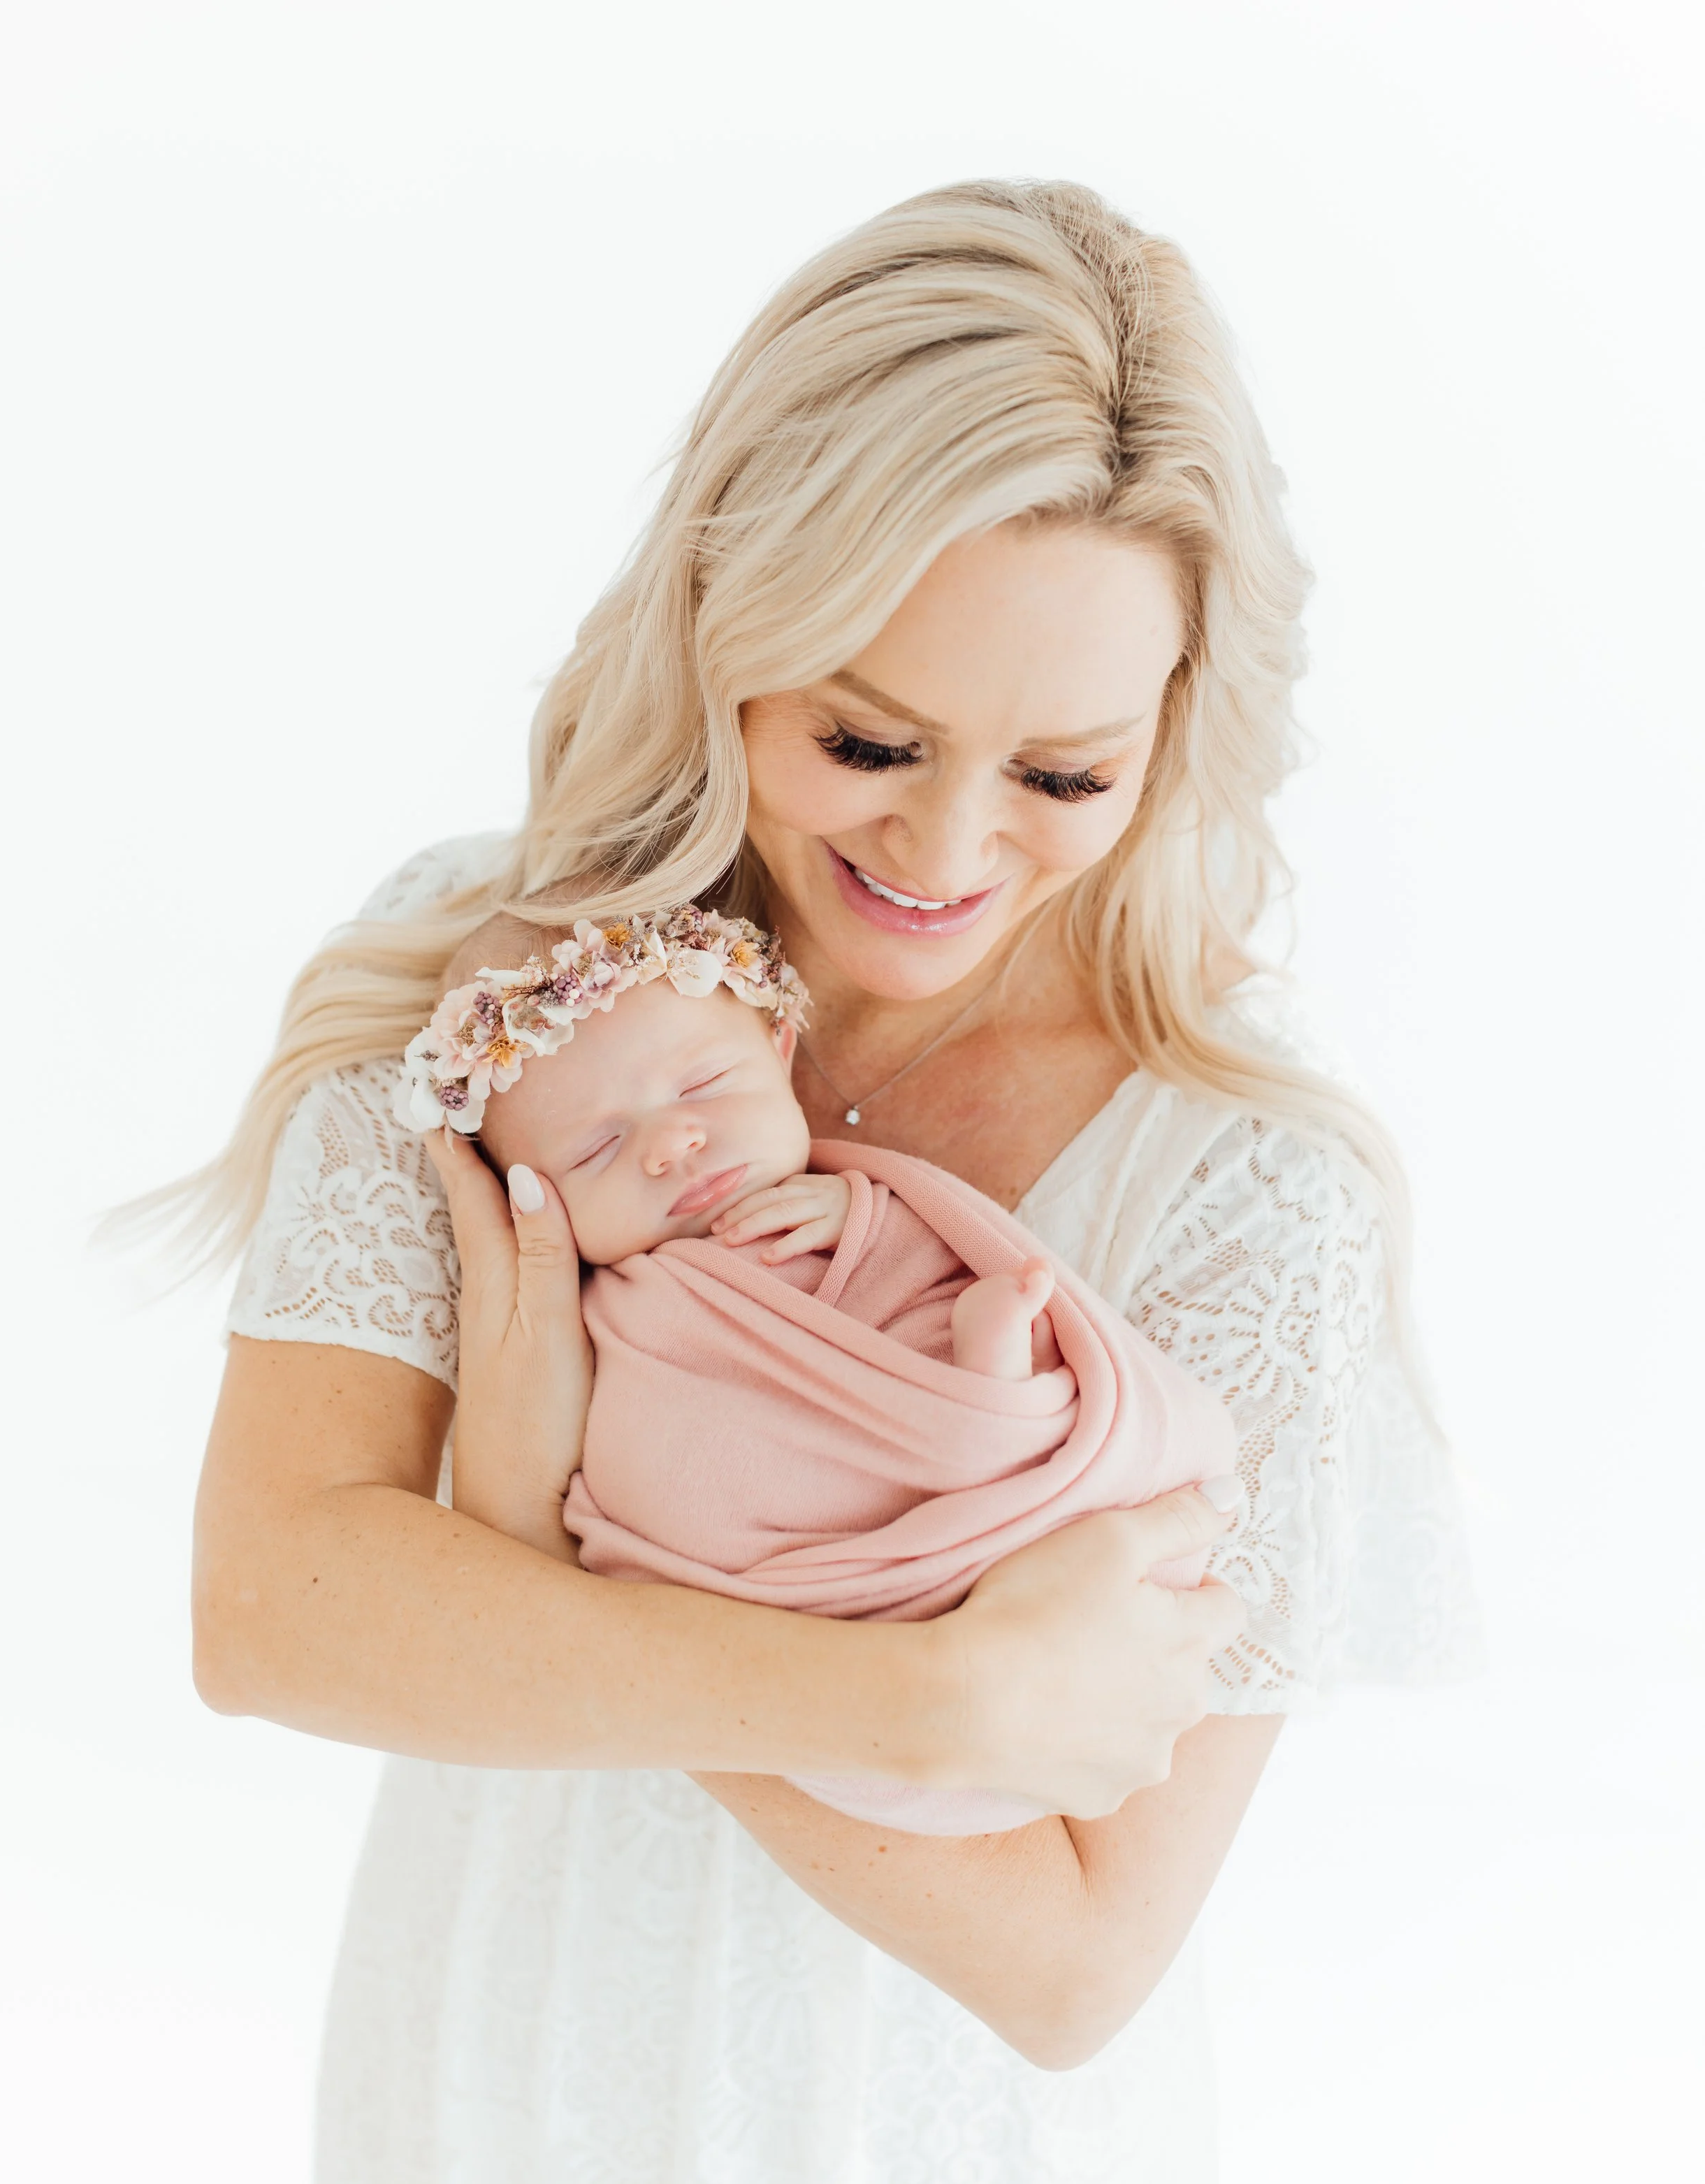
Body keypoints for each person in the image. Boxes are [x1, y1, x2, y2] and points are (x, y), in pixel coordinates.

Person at [182, 179, 1481, 2179]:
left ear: (1174, 735)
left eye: (1062, 775)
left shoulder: (1244, 1183)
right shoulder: (509, 997)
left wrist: (548, 1527)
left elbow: (1069, 1960)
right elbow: (277, 1605)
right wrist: (926, 1696)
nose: (949, 850)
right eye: (869, 736)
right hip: (481, 2088)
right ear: (726, 624)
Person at [404, 905, 1239, 1836]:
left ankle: (990, 1402)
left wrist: (862, 1218)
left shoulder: (853, 1195)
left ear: (780, 1050)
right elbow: (630, 1489)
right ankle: (981, 1409)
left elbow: (932, 1248)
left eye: (706, 1085)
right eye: (595, 1149)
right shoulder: (618, 1309)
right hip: (792, 1604)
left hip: (982, 1507)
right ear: (531, 1194)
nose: (670, 1144)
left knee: (999, 1329)